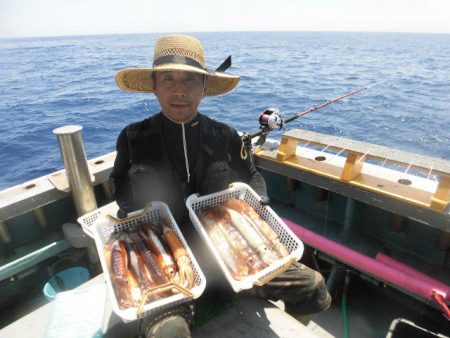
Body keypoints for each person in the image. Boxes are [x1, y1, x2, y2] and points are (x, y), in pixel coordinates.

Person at [109, 34, 331, 337]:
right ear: (154, 85)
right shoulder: (132, 138)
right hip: (167, 256)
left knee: (314, 288)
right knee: (168, 332)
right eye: (168, 79)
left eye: (190, 81)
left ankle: (262, 302)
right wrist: (130, 211)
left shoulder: (225, 135)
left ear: (203, 88)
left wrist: (260, 201)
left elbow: (252, 176)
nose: (179, 90)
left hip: (228, 245)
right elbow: (118, 184)